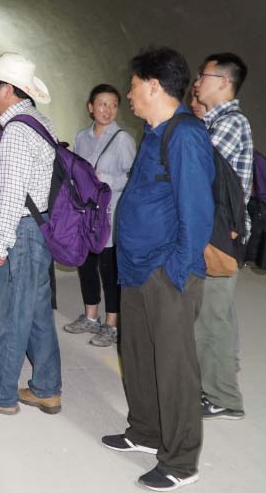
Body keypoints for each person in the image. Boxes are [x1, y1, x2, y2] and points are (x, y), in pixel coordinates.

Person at [102, 47, 214, 491]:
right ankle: (146, 431)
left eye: (132, 86)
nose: (128, 94)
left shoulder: (185, 135)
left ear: (152, 85)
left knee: (173, 367)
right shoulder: (153, 132)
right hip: (135, 268)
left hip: (165, 271)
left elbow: (197, 213)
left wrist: (175, 270)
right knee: (138, 356)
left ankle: (181, 461)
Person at [0, 52, 63, 417]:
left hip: (21, 232)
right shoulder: (38, 122)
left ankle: (1, 395)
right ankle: (46, 388)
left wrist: (0, 244)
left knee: (10, 316)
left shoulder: (18, 131)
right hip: (36, 229)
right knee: (36, 313)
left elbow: (11, 195)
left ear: (8, 89)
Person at [192, 52, 253, 420]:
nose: (197, 82)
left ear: (224, 82)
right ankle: (221, 391)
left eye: (204, 75)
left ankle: (222, 398)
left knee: (212, 318)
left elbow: (201, 179)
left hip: (218, 236)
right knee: (218, 316)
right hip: (219, 233)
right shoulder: (218, 122)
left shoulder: (229, 124)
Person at [64, 84, 136, 347]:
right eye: (103, 104)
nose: (108, 110)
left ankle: (112, 324)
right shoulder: (81, 137)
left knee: (109, 271)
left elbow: (133, 178)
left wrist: (104, 178)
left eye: (113, 105)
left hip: (109, 216)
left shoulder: (122, 140)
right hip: (85, 215)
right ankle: (90, 316)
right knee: (86, 266)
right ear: (90, 107)